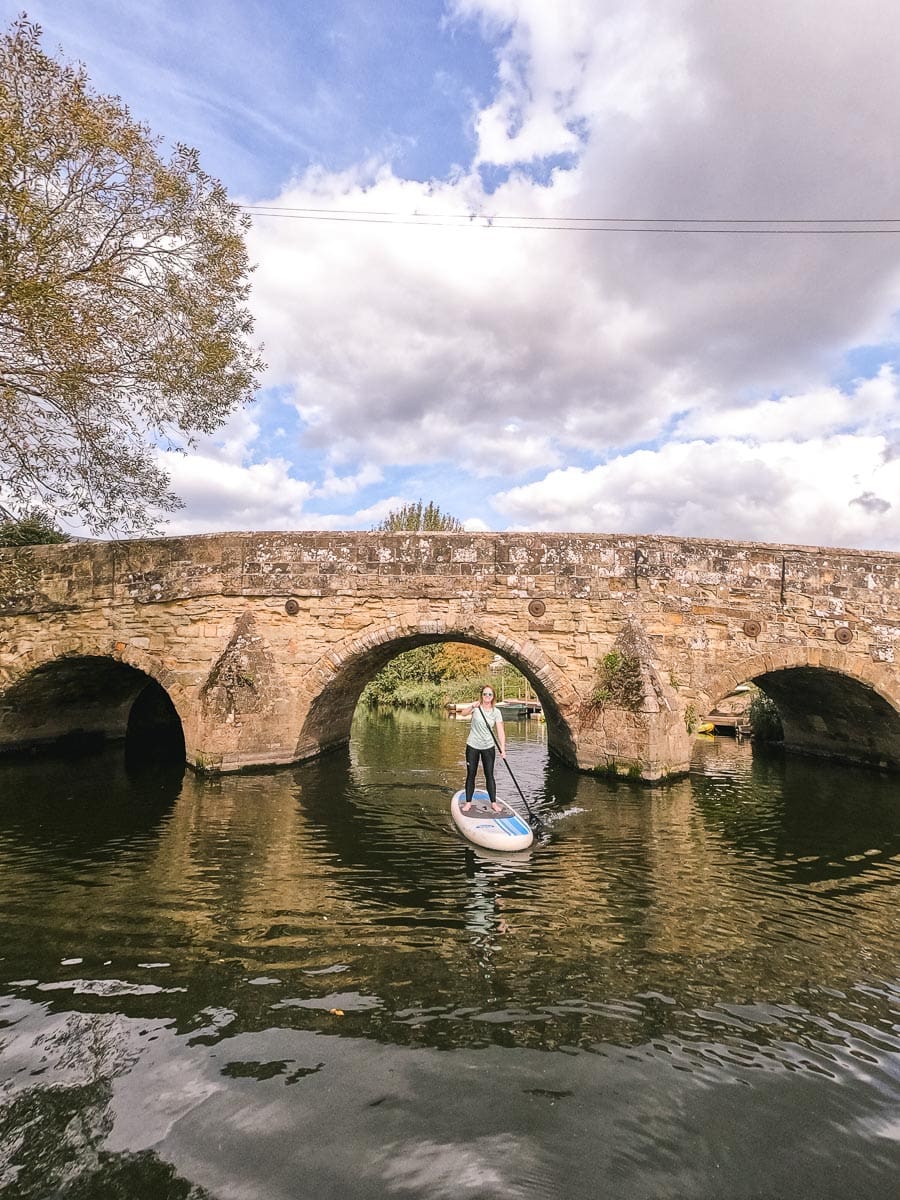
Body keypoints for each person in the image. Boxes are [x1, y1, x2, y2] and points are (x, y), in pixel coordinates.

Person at [459, 686, 506, 813]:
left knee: (489, 775)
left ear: (493, 697)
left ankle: (494, 803)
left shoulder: (496, 712)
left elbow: (500, 731)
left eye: (490, 694)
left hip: (488, 747)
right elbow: (463, 714)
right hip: (473, 746)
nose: (487, 696)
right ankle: (468, 803)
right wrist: (472, 706)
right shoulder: (476, 708)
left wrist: (502, 748)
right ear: (482, 695)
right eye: (485, 694)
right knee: (471, 774)